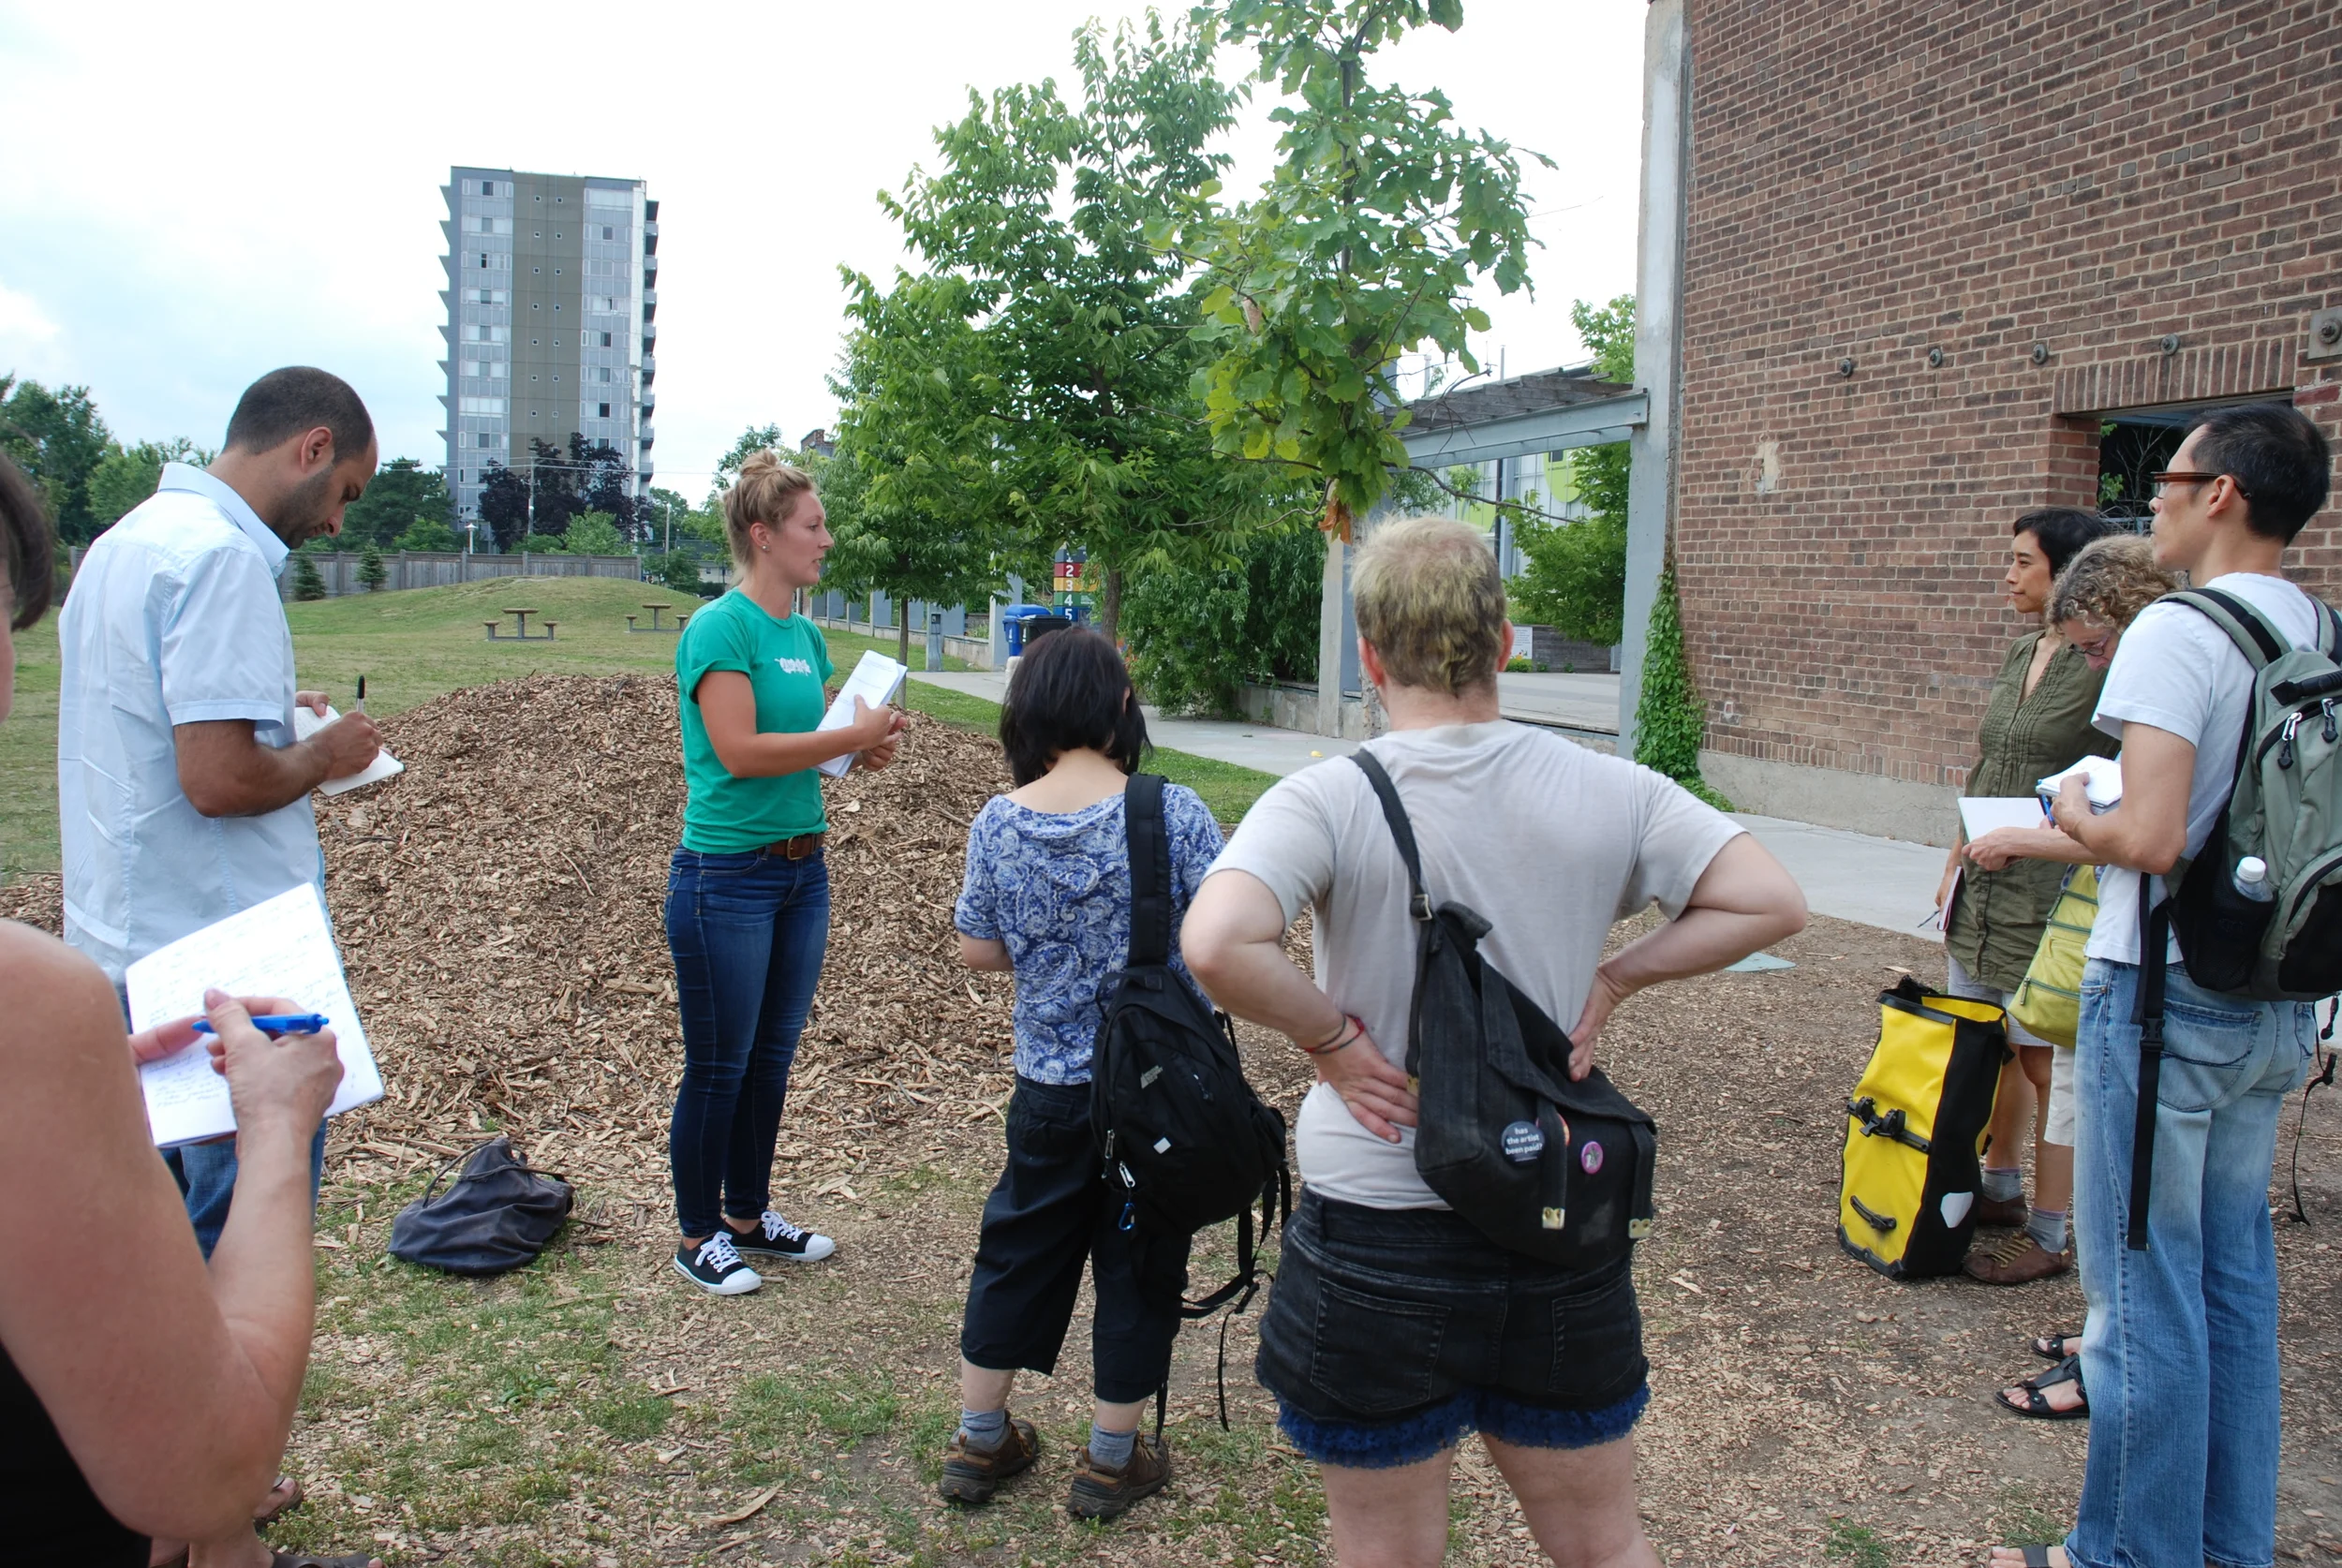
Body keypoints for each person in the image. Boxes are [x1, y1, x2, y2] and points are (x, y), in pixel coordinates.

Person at [1181, 516, 1807, 1568]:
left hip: (1378, 1220)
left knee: (1383, 1555)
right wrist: (1616, 975)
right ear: (1504, 644)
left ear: (1371, 659)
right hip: (1553, 1213)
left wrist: (1331, 1038)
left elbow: (1214, 941)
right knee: (1603, 1545)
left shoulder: (1328, 798)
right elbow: (1768, 902)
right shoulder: (1616, 788)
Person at [0, 453, 379, 1568]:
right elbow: (217, 778)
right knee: (206, 1264)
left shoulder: (121, 543)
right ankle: (212, 1539)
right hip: (222, 955)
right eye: (347, 487)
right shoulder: (222, 559)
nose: (341, 514)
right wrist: (327, 751)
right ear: (308, 451)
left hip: (122, 928)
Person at [1988, 403, 2333, 1568]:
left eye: (2170, 478)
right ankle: (2226, 1546)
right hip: (2276, 1002)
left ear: (2221, 492)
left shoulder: (2178, 629)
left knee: (2138, 1296)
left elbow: (2144, 835)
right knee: (2233, 1282)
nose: (2154, 499)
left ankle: (2125, 1555)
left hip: (2164, 998)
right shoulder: (2317, 624)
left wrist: (2073, 808)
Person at [939, 627, 1224, 1522]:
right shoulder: (1171, 812)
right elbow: (1219, 946)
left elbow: (977, 950)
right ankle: (1110, 1460)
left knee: (1017, 1250)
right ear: (1119, 707)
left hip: (1050, 1092)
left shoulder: (1000, 817)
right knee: (1140, 1263)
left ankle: (981, 1441)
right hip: (1153, 1098)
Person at [666, 451, 904, 1294]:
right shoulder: (718, 629)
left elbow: (813, 750)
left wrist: (863, 748)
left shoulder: (804, 636)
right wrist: (846, 737)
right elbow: (739, 751)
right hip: (725, 877)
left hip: (803, 871)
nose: (827, 541)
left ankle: (746, 1214)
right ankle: (698, 1233)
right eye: (813, 526)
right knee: (719, 1064)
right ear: (763, 536)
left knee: (769, 1057)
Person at [1960, 535, 2177, 1420]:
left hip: (2107, 926)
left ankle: (2086, 1298)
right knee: (2028, 1055)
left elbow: (2148, 829)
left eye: (2021, 559)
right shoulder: (2040, 654)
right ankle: (2099, 1328)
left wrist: (2063, 821)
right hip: (2071, 901)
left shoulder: (2159, 680)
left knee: (2074, 1085)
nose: (2008, 576)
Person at [1932, 507, 2114, 1286]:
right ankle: (1997, 1188)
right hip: (1985, 878)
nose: (2008, 575)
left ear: (2066, 574)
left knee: (2049, 1063)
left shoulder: (2103, 664)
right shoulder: (2020, 651)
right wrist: (1954, 858)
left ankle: (2052, 1230)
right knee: (1984, 1042)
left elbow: (2114, 788)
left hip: (2051, 887)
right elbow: (1988, 766)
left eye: (2022, 562)